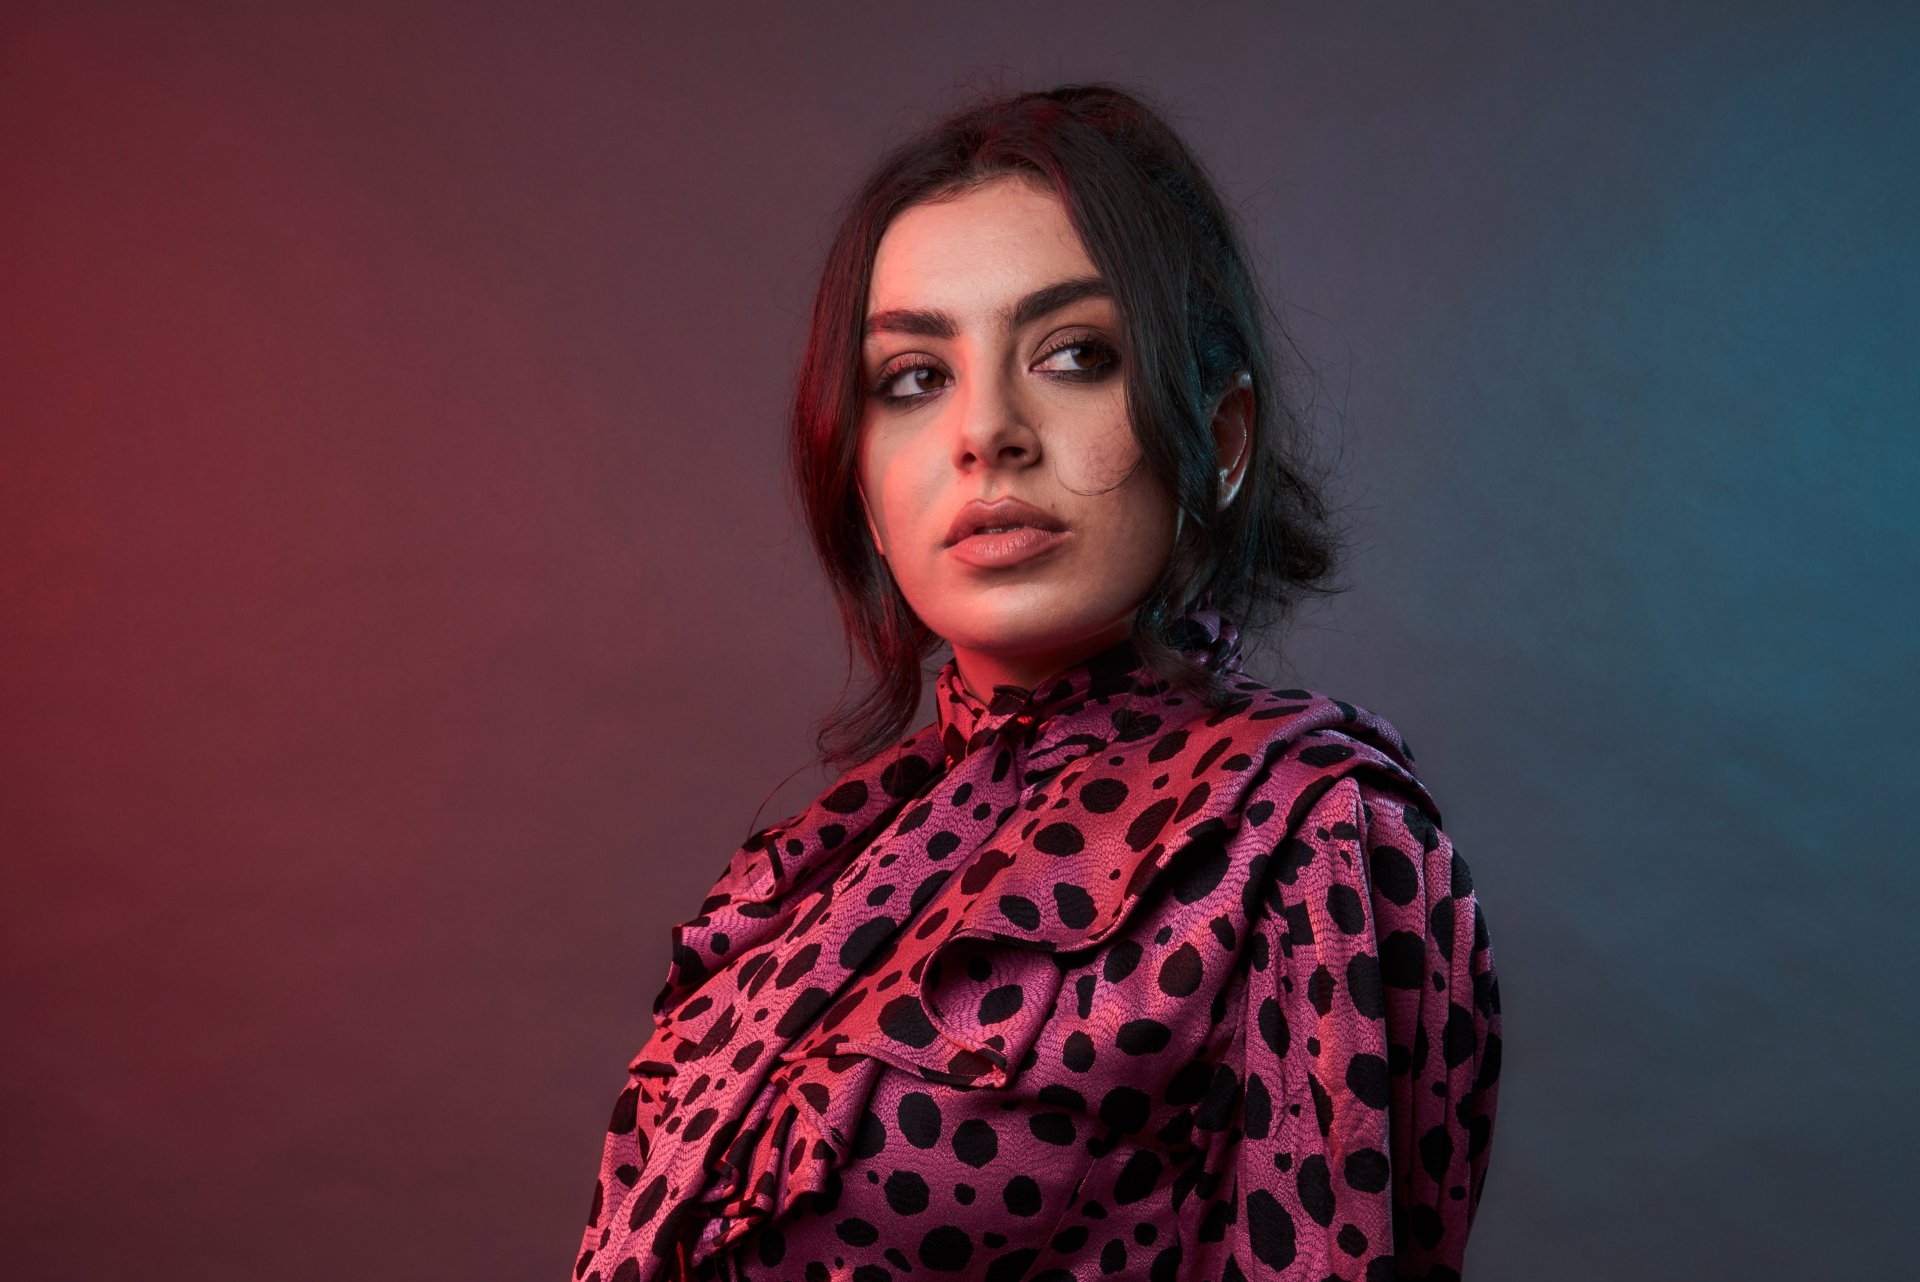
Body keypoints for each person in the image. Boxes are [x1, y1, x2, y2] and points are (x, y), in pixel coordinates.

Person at [570, 82, 1502, 1282]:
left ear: (1217, 439)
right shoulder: (816, 867)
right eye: (913, 377)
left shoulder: (1306, 843)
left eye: (1073, 355)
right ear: (860, 477)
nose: (987, 432)